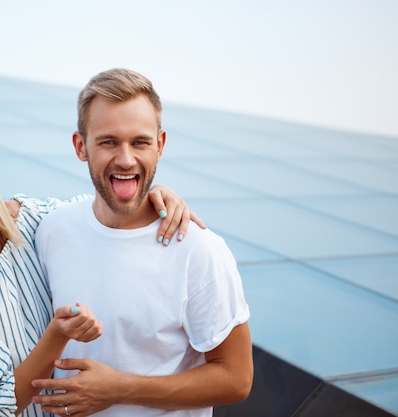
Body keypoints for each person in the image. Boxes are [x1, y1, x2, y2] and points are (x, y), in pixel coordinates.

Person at [0, 134, 203, 417]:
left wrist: (154, 196)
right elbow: (1, 404)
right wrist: (57, 334)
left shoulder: (31, 217)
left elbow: (99, 214)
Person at [31, 68, 253, 417]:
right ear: (80, 146)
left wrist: (120, 388)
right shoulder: (51, 231)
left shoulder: (199, 250)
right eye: (108, 142)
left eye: (140, 142)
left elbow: (236, 378)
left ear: (160, 145)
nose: (125, 159)